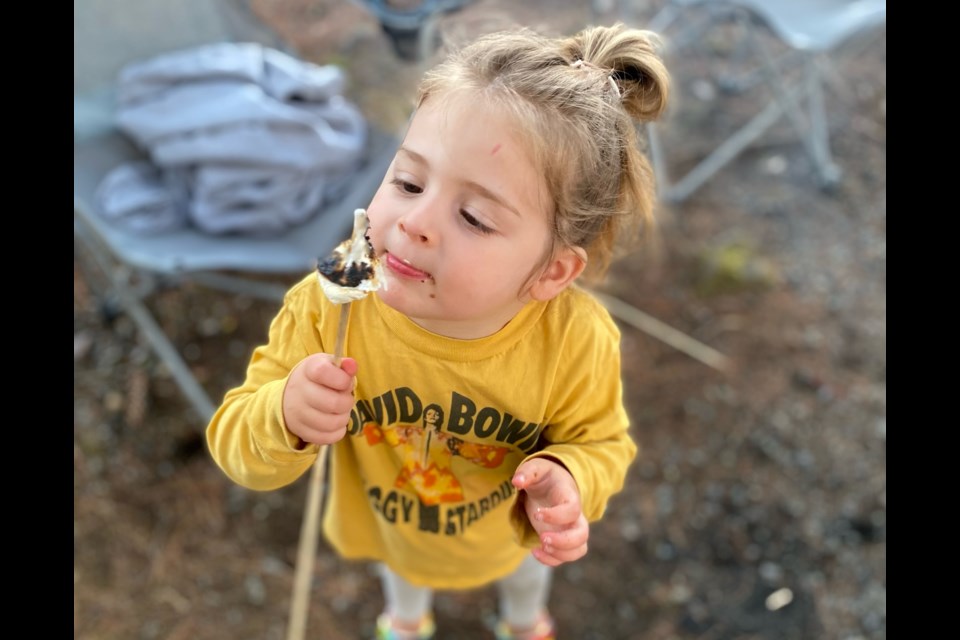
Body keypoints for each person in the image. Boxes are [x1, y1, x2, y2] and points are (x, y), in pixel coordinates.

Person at [206, 21, 669, 640]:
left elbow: (603, 444)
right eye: (407, 181)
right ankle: (405, 620)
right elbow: (235, 443)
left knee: (527, 576)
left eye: (474, 217)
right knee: (402, 573)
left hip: (509, 536)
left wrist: (571, 480)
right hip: (392, 527)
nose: (415, 222)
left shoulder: (575, 342)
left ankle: (524, 621)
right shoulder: (327, 310)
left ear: (552, 271)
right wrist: (283, 413)